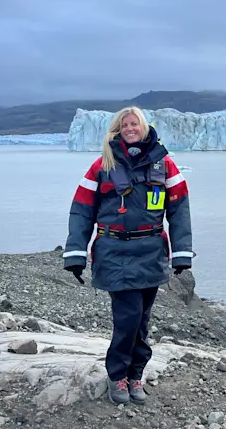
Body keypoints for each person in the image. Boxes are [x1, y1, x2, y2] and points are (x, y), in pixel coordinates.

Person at [62, 106, 194, 405]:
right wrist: (75, 253)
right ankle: (118, 374)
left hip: (150, 252)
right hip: (114, 251)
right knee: (129, 317)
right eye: (124, 125)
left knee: (142, 318)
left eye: (135, 123)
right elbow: (81, 211)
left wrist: (182, 253)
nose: (130, 128)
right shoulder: (101, 166)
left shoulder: (164, 166)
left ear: (144, 127)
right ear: (117, 130)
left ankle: (136, 374)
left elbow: (179, 210)